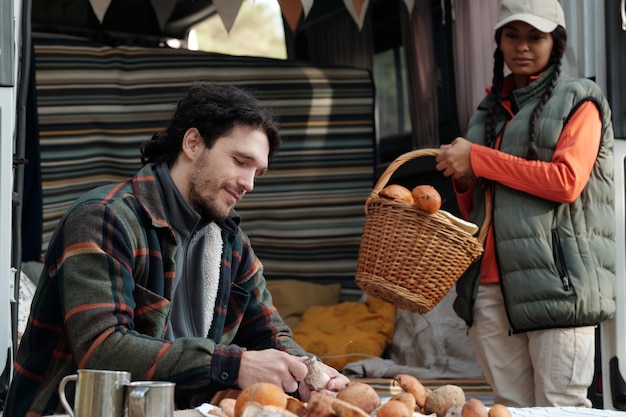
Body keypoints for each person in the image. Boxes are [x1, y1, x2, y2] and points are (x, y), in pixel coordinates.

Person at [4, 82, 349, 416]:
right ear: (194, 143)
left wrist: (307, 370)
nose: (250, 183)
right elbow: (102, 349)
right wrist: (232, 365)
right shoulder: (104, 217)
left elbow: (268, 332)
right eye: (240, 161)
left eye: (258, 171)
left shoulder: (232, 241)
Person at [435, 0, 615, 408]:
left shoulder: (580, 100)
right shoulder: (486, 112)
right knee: (507, 407)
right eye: (511, 35)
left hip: (557, 284)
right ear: (498, 41)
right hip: (488, 288)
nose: (522, 46)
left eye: (536, 36)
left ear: (557, 42)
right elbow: (476, 210)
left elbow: (566, 182)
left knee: (559, 406)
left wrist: (479, 159)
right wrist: (464, 178)